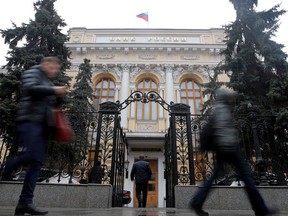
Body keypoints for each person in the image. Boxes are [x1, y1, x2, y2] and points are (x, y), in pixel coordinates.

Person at [189, 89, 279, 216]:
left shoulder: (218, 109)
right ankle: (260, 209)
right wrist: (230, 146)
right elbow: (223, 130)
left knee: (214, 178)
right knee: (247, 177)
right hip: (229, 148)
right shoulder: (222, 109)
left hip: (224, 148)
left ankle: (197, 202)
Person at [0, 57, 68, 215]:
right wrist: (54, 90)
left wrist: (60, 98)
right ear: (45, 64)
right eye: (52, 67)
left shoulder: (47, 82)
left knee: (36, 162)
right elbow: (30, 88)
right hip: (29, 121)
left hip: (43, 125)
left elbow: (50, 103)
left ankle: (24, 202)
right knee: (30, 156)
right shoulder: (33, 72)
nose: (54, 71)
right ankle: (4, 170)